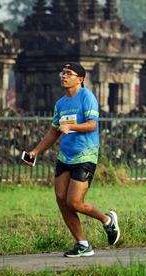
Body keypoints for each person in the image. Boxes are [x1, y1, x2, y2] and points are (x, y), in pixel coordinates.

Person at [24, 62, 120, 257]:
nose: (63, 76)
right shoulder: (60, 104)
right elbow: (53, 131)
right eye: (62, 72)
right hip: (65, 156)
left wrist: (72, 127)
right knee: (62, 200)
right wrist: (35, 151)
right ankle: (83, 244)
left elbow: (92, 125)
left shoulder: (87, 97)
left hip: (85, 154)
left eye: (69, 73)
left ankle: (107, 220)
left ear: (81, 79)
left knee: (74, 201)